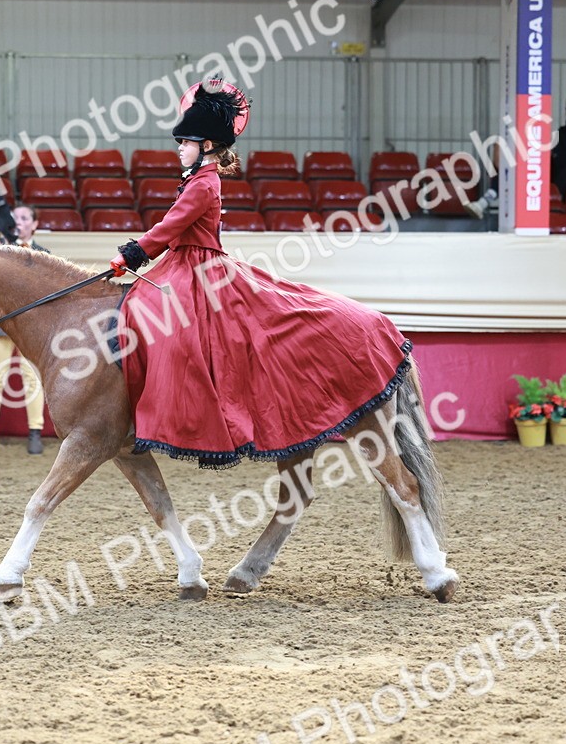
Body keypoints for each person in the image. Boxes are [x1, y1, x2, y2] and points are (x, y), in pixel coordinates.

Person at [108, 79, 412, 468]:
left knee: (164, 317)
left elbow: (171, 227)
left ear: (205, 145)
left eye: (183, 142)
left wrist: (133, 253)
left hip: (199, 266)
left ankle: (180, 412)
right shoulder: (197, 179)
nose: (178, 149)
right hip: (184, 261)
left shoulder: (204, 183)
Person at [0, 204, 49, 455]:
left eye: (24, 218)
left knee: (31, 378)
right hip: (0, 325)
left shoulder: (44, 255)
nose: (18, 222)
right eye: (15, 218)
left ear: (34, 224)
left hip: (30, 328)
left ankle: (35, 431)